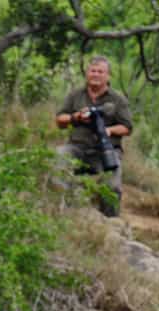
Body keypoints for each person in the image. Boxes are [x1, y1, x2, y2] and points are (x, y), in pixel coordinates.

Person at [55, 56, 133, 217]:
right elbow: (59, 120)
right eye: (93, 71)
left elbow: (127, 127)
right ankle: (60, 211)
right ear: (87, 73)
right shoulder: (76, 94)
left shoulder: (117, 99)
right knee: (58, 159)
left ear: (108, 75)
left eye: (100, 71)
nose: (96, 74)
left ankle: (112, 224)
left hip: (106, 150)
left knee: (112, 187)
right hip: (77, 148)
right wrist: (75, 117)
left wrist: (108, 131)